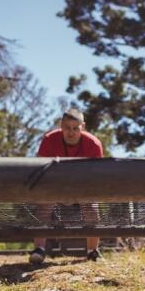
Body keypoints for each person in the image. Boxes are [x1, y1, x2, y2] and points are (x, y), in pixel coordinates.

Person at [28, 108, 104, 264]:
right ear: (61, 126)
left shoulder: (94, 144)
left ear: (83, 126)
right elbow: (39, 169)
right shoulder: (49, 139)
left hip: (83, 186)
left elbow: (97, 175)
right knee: (43, 204)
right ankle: (39, 249)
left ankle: (92, 251)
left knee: (92, 207)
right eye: (67, 127)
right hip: (54, 184)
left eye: (75, 128)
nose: (71, 132)